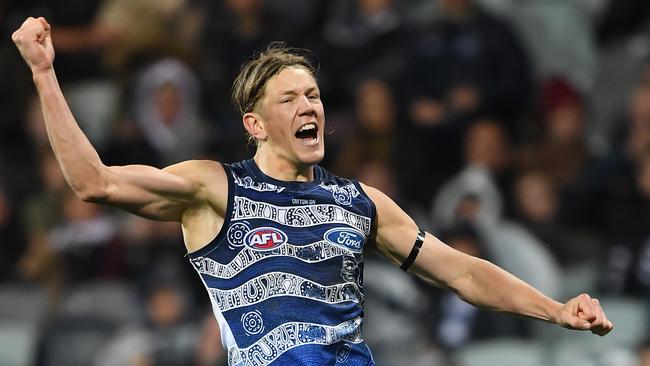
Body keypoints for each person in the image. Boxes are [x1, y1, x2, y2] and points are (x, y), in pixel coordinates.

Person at [12, 16, 613, 366]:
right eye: (291, 98)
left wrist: (556, 310)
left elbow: (461, 272)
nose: (311, 107)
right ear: (255, 123)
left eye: (315, 96)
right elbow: (94, 183)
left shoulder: (361, 202)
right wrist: (44, 73)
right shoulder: (212, 188)